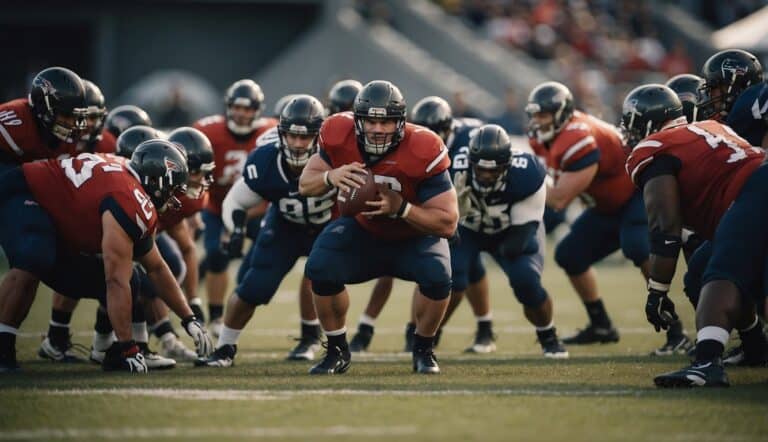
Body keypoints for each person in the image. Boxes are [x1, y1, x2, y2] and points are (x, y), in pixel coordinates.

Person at [0, 140, 213, 372]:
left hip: (56, 221)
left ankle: (112, 352)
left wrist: (189, 318)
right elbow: (115, 279)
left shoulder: (131, 185)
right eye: (172, 189)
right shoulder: (127, 197)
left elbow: (156, 268)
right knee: (35, 255)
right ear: (155, 180)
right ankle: (3, 347)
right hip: (21, 192)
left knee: (132, 278)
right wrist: (129, 346)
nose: (173, 198)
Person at [299, 80, 458, 374]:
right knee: (319, 266)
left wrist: (402, 208)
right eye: (371, 120)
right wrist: (330, 177)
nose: (377, 128)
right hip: (364, 231)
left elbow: (448, 223)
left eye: (386, 121)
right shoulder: (337, 134)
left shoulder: (424, 146)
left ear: (401, 122)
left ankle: (423, 349)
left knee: (438, 274)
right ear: (357, 120)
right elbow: (306, 184)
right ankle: (336, 350)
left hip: (413, 235)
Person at [623, 84, 767, 387]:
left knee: (719, 274)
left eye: (631, 121)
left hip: (751, 193)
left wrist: (657, 291)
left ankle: (706, 362)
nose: (628, 130)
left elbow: (665, 228)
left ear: (647, 122)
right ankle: (755, 345)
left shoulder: (654, 149)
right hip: (755, 184)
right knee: (700, 271)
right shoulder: (711, 125)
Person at [526, 82, 673, 354]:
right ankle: (601, 325)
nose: (538, 121)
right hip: (606, 205)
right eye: (534, 115)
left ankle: (675, 330)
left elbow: (558, 198)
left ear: (562, 113)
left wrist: (526, 178)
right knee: (570, 254)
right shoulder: (543, 137)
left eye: (543, 115)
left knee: (637, 246)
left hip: (635, 193)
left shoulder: (578, 136)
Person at [196, 95, 334, 367]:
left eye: (305, 137)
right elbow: (235, 200)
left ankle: (331, 344)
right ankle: (224, 349)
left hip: (327, 227)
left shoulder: (335, 156)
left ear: (318, 137)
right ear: (280, 134)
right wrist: (235, 230)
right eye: (291, 136)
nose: (297, 143)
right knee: (253, 288)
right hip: (284, 226)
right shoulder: (265, 159)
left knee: (327, 280)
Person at [347, 96, 491, 353]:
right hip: (414, 211)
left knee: (460, 270)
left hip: (460, 210)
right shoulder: (407, 142)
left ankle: (465, 329)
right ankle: (401, 332)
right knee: (400, 264)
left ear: (450, 130)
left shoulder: (468, 142)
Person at [451, 124, 568, 358]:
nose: (485, 176)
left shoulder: (527, 173)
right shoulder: (453, 166)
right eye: (480, 170)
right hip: (470, 229)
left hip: (512, 231)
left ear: (507, 164)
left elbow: (521, 236)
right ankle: (425, 339)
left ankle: (548, 335)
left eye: (492, 171)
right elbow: (443, 218)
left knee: (525, 279)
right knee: (446, 276)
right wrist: (454, 212)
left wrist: (503, 250)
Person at [193, 79, 277, 336]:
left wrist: (239, 221)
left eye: (248, 108)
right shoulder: (208, 131)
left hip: (258, 208)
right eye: (236, 107)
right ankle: (216, 318)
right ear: (228, 107)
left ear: (257, 110)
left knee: (271, 250)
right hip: (216, 207)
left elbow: (272, 190)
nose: (241, 113)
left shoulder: (271, 133)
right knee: (217, 255)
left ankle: (244, 293)